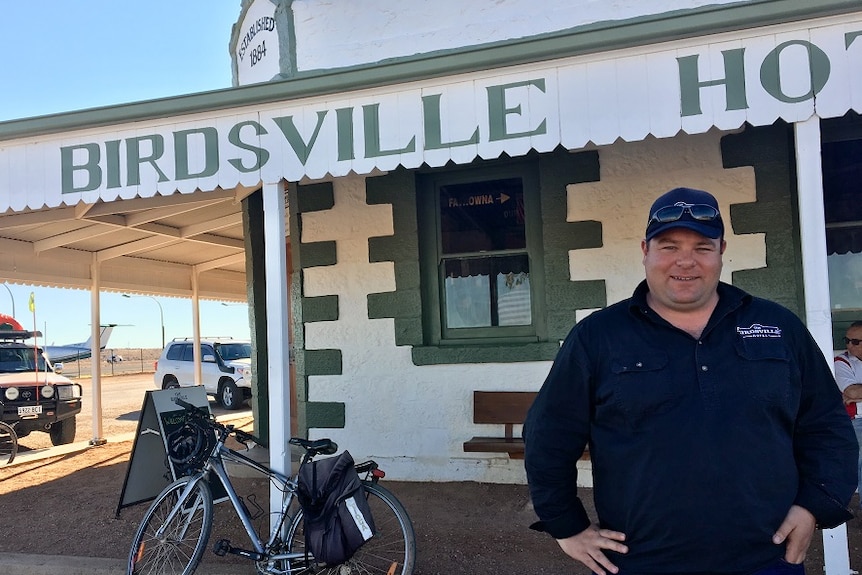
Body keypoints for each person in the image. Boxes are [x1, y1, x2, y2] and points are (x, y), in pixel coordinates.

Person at [524, 186, 858, 575]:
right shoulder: (598, 336)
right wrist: (567, 527)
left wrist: (815, 504)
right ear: (645, 250)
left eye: (702, 246)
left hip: (767, 559)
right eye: (668, 246)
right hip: (642, 562)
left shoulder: (778, 327)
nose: (686, 261)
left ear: (721, 251)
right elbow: (548, 435)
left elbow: (827, 423)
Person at [834, 321, 862, 517]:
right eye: (847, 340)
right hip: (857, 420)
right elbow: (850, 390)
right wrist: (854, 393)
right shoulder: (842, 361)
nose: (849, 345)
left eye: (855, 341)